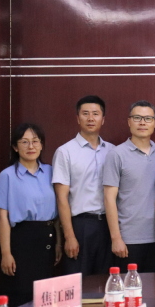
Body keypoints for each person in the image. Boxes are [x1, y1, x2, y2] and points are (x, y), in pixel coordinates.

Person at [0, 123, 60, 307]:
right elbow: (3, 218)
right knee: (21, 293)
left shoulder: (51, 172)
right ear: (15, 147)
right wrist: (6, 253)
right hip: (21, 241)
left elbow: (58, 213)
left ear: (42, 145)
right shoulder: (7, 176)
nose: (31, 146)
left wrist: (59, 242)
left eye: (35, 141)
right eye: (24, 142)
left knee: (44, 296)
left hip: (47, 238)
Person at [52, 95, 114, 276]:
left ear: (103, 119)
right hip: (80, 225)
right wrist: (69, 236)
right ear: (78, 118)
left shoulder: (113, 151)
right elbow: (61, 198)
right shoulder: (65, 152)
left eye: (95, 114)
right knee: (79, 281)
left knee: (106, 281)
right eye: (85, 113)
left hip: (108, 225)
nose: (90, 118)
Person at [103, 100, 155, 273]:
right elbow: (109, 199)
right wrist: (116, 238)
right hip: (128, 239)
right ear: (129, 121)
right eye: (137, 118)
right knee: (130, 287)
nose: (142, 123)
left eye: (148, 118)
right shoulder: (116, 154)